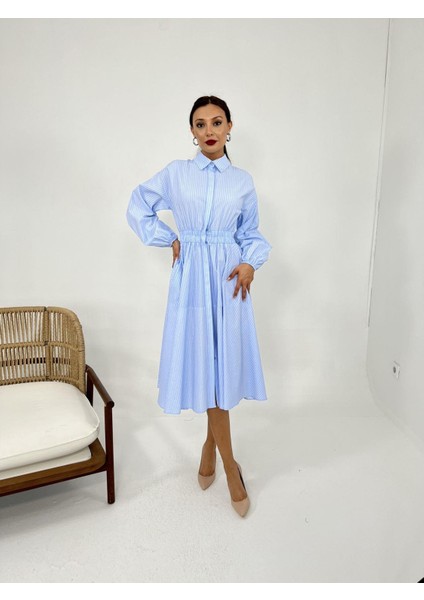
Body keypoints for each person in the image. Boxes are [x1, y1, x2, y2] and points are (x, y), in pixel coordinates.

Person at [127, 95, 271, 517]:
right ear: (191, 131)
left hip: (227, 279)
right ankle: (230, 465)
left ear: (229, 128)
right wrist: (169, 238)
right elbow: (138, 204)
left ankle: (212, 449)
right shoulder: (176, 174)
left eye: (217, 122)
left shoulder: (242, 181)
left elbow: (251, 233)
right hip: (191, 278)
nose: (209, 130)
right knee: (205, 364)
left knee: (220, 366)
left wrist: (250, 263)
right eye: (201, 123)